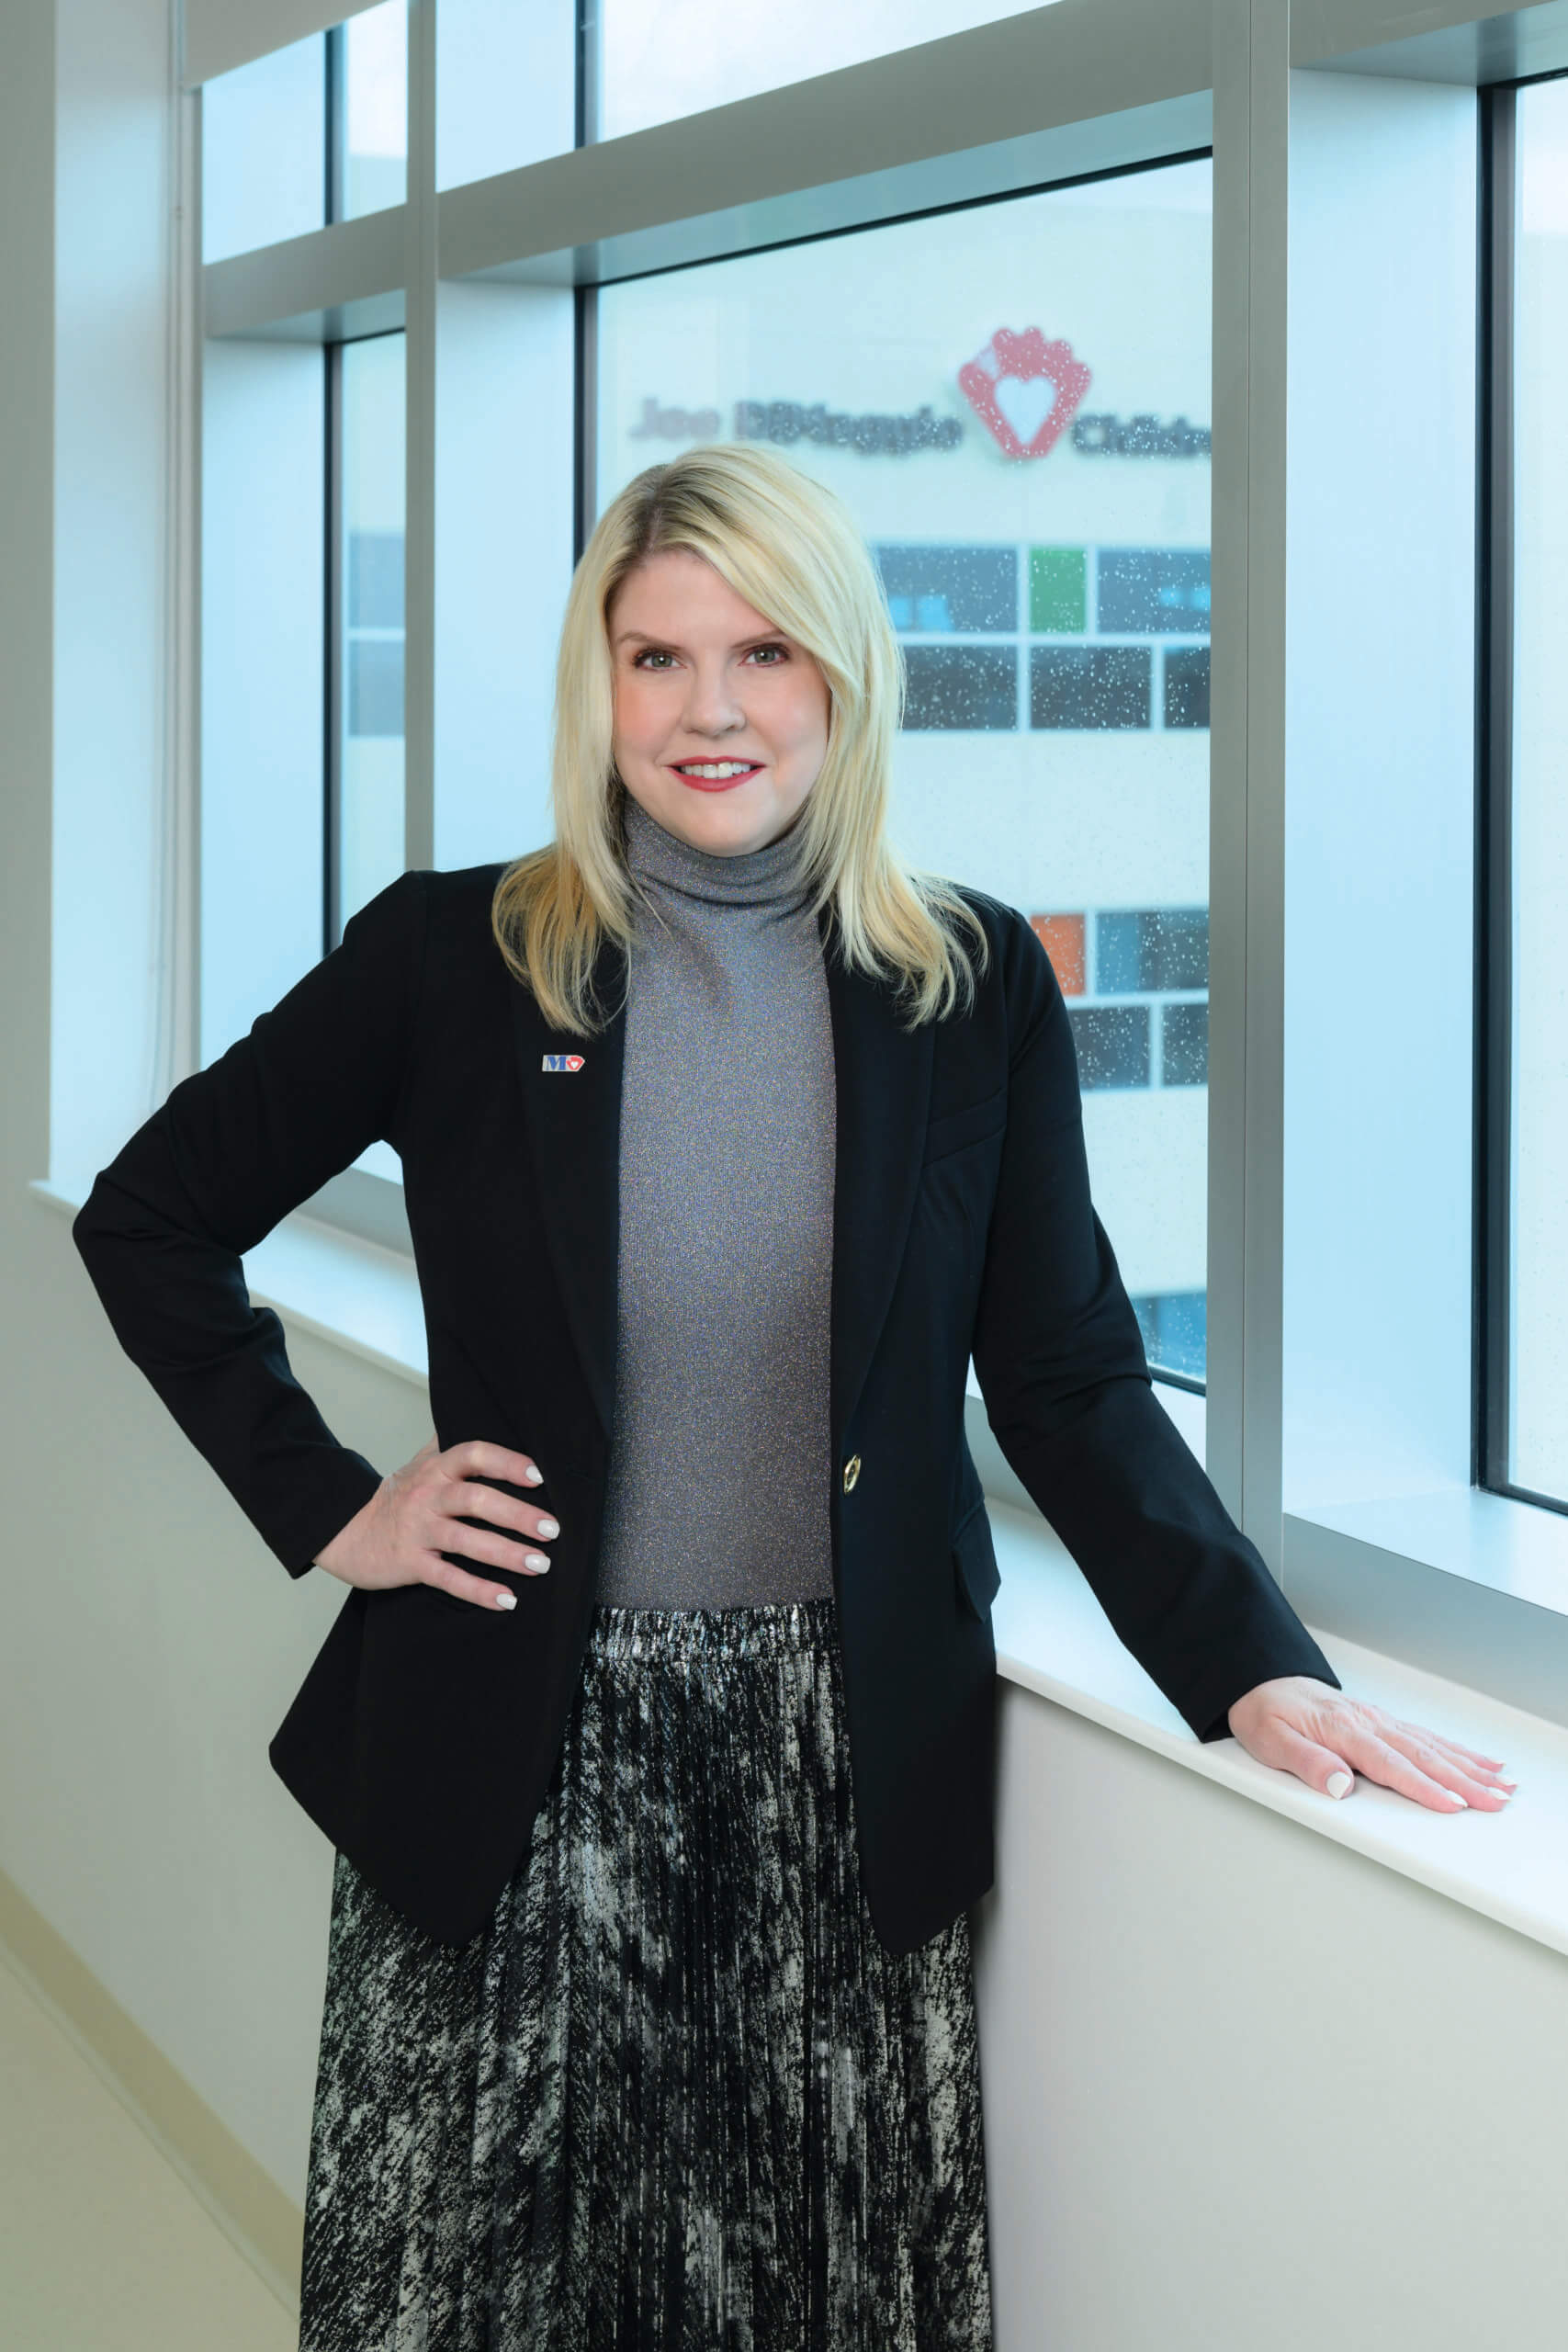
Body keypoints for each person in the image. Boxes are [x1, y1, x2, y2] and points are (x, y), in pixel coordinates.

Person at [72, 443, 1516, 2351]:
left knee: (822, 2295)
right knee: (469, 2299)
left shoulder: (965, 976)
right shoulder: (451, 952)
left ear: (841, 674)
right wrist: (335, 1499)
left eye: (761, 651)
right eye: (653, 656)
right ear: (597, 681)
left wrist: (1243, 1650)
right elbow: (152, 1213)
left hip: (834, 1763)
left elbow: (1067, 1367)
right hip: (509, 1736)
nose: (710, 709)